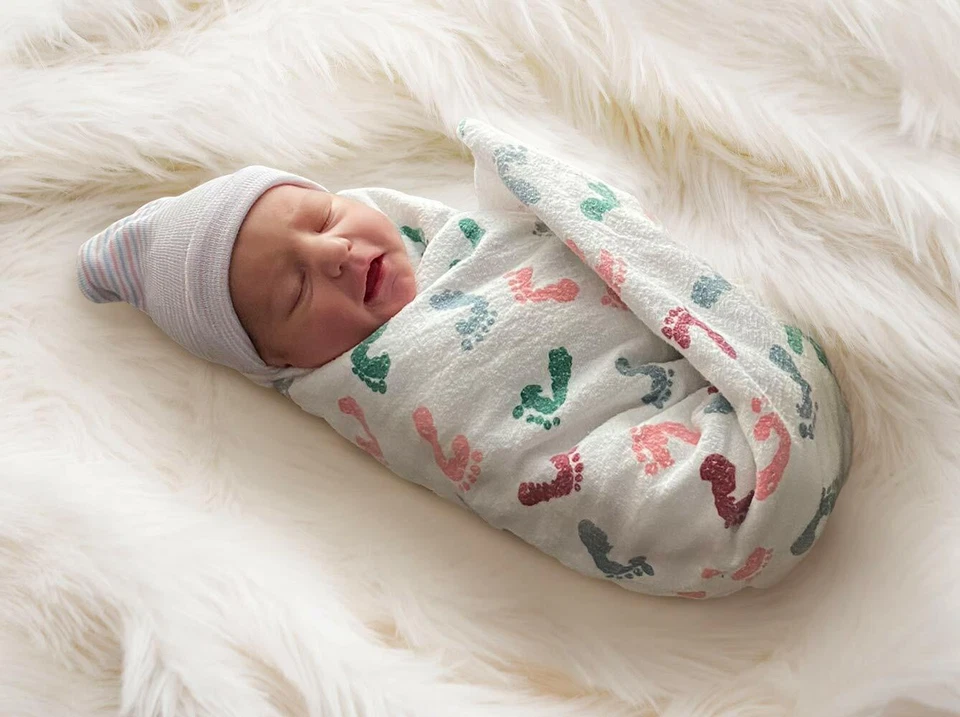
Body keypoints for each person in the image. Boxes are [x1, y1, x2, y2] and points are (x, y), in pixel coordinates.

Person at [77, 119, 852, 598]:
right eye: (295, 290)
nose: (334, 254)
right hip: (717, 504)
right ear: (280, 363)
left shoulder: (449, 243)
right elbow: (504, 431)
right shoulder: (398, 383)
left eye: (321, 216)